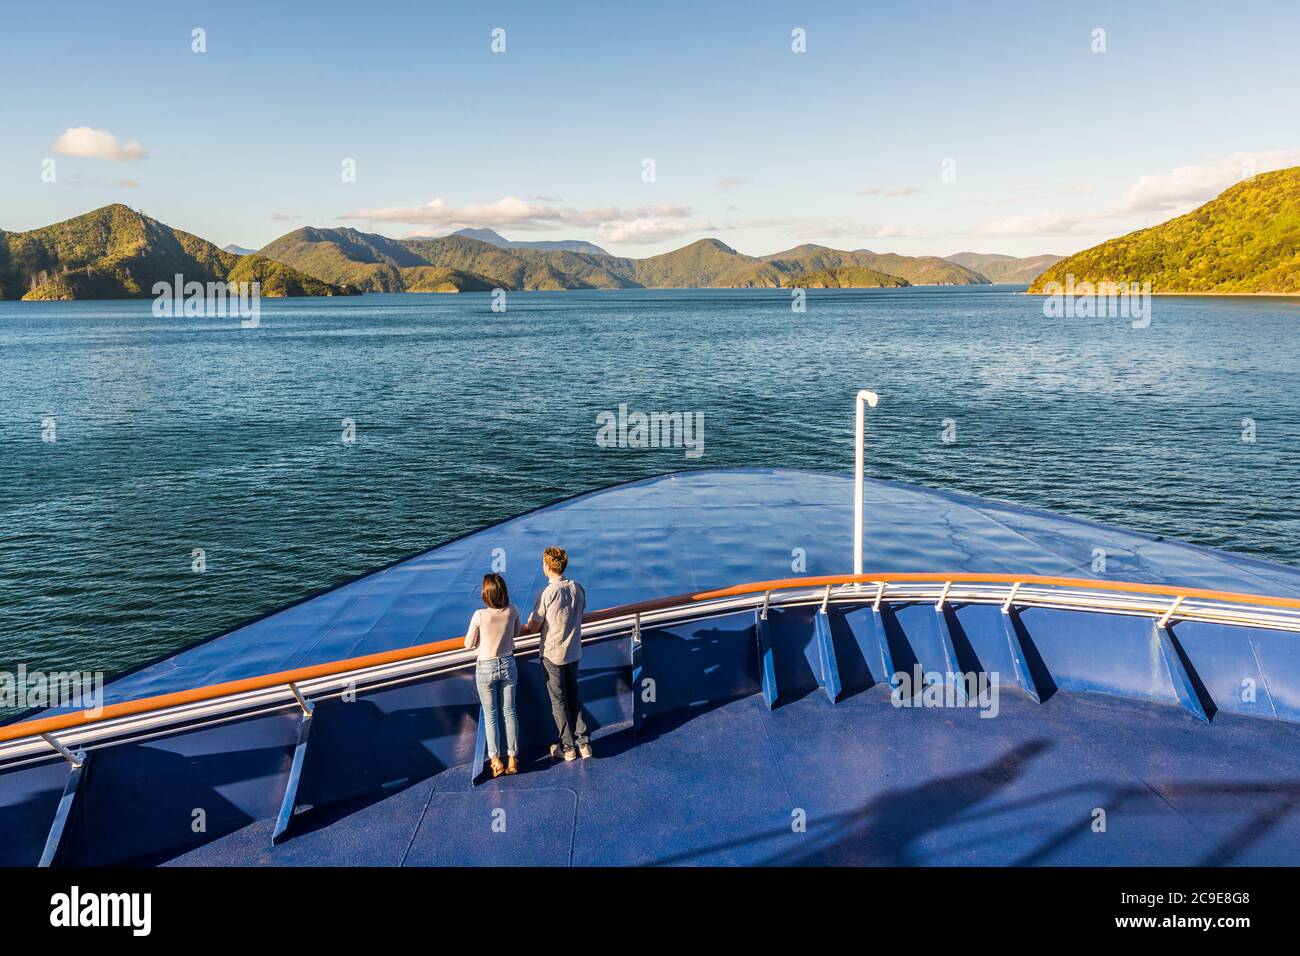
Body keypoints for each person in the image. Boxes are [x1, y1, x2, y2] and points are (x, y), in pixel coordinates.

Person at [528, 546, 591, 761]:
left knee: (558, 700)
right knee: (574, 695)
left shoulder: (546, 594)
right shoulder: (577, 588)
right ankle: (584, 743)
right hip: (574, 651)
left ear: (547, 566)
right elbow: (581, 614)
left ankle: (567, 747)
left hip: (553, 654)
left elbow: (535, 626)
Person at [465, 573, 521, 777]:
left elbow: (468, 644)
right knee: (510, 712)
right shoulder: (512, 610)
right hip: (508, 663)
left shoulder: (479, 615)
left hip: (486, 666)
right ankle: (513, 759)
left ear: (485, 594)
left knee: (491, 716)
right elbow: (516, 634)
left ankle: (496, 761)